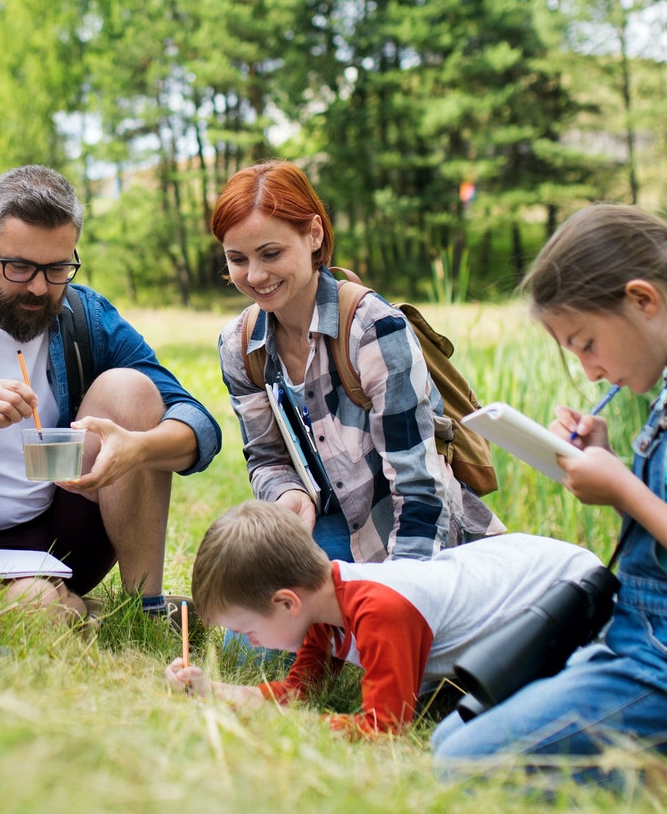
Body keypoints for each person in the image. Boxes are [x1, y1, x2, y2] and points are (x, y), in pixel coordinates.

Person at [429, 205, 667, 810]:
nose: (590, 368)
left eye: (587, 343)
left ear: (643, 301)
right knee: (452, 735)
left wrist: (626, 490)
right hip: (647, 639)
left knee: (464, 767)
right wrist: (612, 469)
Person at [0, 165, 222, 619]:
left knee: (131, 388)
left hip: (63, 538)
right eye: (19, 267)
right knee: (37, 610)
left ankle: (146, 608)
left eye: (58, 267)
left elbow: (198, 424)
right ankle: (73, 609)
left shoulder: (87, 316)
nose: (39, 287)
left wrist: (138, 447)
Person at [211, 161, 502, 563]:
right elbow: (266, 458)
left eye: (270, 253)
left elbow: (419, 488)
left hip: (417, 539)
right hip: (331, 530)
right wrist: (288, 493)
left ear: (313, 234)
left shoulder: (373, 329)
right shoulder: (238, 346)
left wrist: (400, 592)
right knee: (248, 617)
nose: (255, 275)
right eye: (237, 259)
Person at [162, 501, 605, 735]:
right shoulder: (323, 607)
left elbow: (384, 727)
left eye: (247, 630)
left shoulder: (380, 611)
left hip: (570, 596)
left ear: (286, 603)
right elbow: (301, 691)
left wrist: (279, 728)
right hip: (519, 571)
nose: (252, 643)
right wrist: (211, 690)